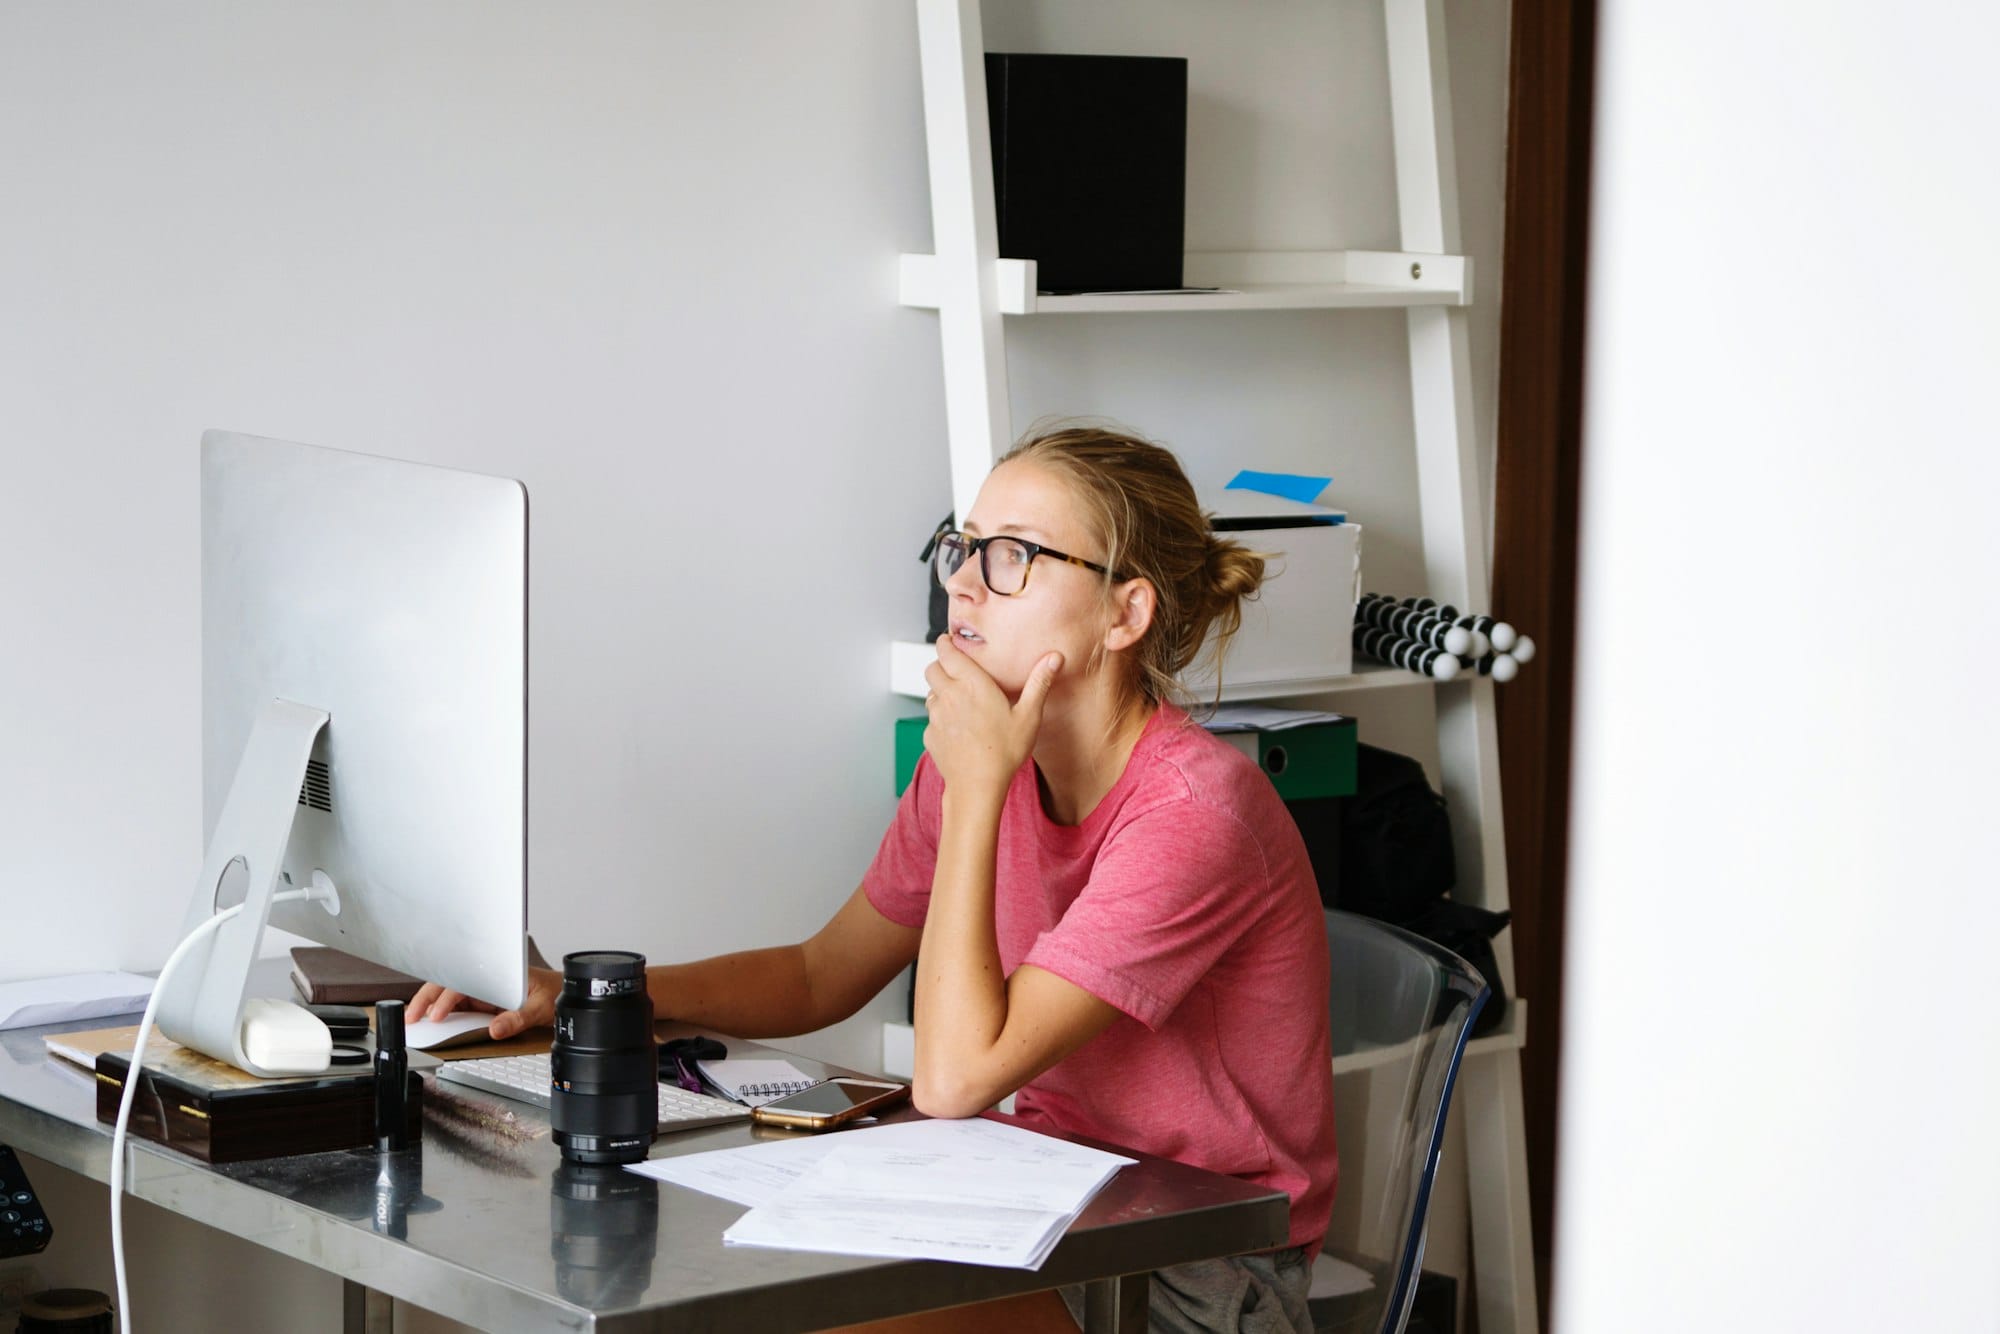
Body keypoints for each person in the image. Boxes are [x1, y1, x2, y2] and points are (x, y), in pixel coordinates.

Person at [414, 424, 1337, 1334]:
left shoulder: (1192, 815)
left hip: (1196, 1266)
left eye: (1015, 555)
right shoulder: (977, 758)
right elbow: (825, 971)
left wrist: (979, 787)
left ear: (1124, 614)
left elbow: (951, 1080)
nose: (966, 583)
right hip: (1034, 1196)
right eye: (964, 547)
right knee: (711, 1279)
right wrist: (589, 1000)